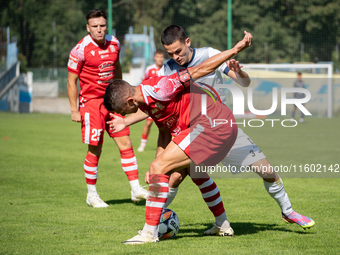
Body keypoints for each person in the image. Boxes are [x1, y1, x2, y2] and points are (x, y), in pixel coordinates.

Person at [153, 25, 314, 234]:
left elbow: (244, 83)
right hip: (192, 134)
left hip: (224, 128)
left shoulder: (209, 55)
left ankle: (288, 211)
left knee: (268, 172)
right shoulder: (166, 70)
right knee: (175, 177)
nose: (176, 57)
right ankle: (154, 223)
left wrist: (239, 72)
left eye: (178, 51)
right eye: (170, 53)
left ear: (188, 42)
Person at [104, 31, 253, 244]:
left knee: (160, 169)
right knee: (195, 172)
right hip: (204, 127)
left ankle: (148, 233)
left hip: (212, 124)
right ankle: (223, 225)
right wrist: (157, 162)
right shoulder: (146, 102)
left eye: (125, 111)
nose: (128, 115)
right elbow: (164, 133)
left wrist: (236, 49)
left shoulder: (160, 87)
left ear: (129, 101)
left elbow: (201, 69)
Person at [66, 9, 147, 208]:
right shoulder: (80, 49)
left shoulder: (115, 43)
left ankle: (135, 189)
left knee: (126, 142)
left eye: (102, 25)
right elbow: (71, 82)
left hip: (111, 102)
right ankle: (92, 195)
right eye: (95, 26)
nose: (99, 30)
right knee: (95, 149)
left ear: (106, 26)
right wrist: (74, 110)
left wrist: (121, 90)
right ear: (88, 28)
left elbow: (117, 66)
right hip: (91, 104)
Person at [137, 49, 165, 152]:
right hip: (152, 102)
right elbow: (144, 83)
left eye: (161, 57)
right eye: (158, 57)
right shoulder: (149, 69)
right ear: (155, 57)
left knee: (165, 126)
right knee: (148, 124)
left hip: (163, 103)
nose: (160, 59)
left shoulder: (167, 69)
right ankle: (142, 144)